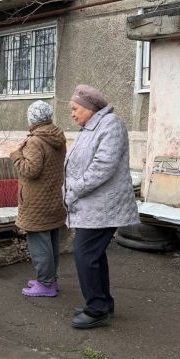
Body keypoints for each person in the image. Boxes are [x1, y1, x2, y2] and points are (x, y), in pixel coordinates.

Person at [64, 84, 139, 329]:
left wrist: (73, 189)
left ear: (89, 107)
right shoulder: (89, 127)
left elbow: (102, 168)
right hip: (92, 205)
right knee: (92, 255)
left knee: (84, 254)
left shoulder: (111, 124)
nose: (72, 114)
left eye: (75, 109)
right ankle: (102, 304)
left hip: (104, 206)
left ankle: (97, 309)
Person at [10, 101, 66, 297]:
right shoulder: (57, 136)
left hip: (36, 202)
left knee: (39, 245)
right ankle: (50, 279)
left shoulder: (35, 141)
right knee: (50, 242)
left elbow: (30, 170)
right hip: (52, 198)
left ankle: (46, 283)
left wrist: (16, 154)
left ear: (32, 119)